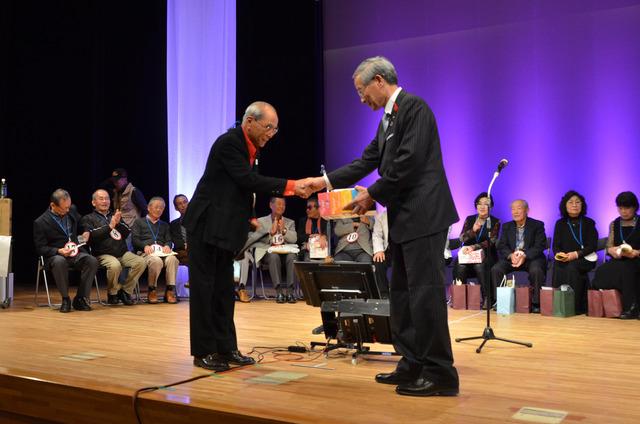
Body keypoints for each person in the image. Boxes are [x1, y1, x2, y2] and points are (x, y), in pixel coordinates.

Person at [306, 56, 460, 397]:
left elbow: (408, 163)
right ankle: (411, 364)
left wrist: (371, 194)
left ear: (379, 80)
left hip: (425, 217)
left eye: (362, 91)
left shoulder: (414, 108)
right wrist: (323, 182)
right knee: (403, 297)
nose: (361, 99)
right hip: (404, 220)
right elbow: (366, 161)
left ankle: (441, 374)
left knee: (426, 296)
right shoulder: (386, 121)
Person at [182, 101, 311, 372]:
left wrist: (251, 215)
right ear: (249, 122)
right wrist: (290, 186)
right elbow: (247, 180)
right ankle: (204, 351)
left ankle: (227, 348)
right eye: (267, 127)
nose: (270, 134)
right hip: (205, 226)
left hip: (223, 228)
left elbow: (243, 188)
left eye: (274, 130)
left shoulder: (251, 149)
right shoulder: (230, 143)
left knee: (224, 291)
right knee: (205, 291)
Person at [33, 189, 99, 313]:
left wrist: (86, 230)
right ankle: (65, 298)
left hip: (75, 253)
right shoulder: (40, 222)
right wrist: (59, 251)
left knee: (92, 261)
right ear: (53, 205)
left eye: (69, 207)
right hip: (57, 256)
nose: (67, 210)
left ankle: (80, 298)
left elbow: (83, 221)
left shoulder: (71, 211)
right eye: (64, 208)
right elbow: (40, 248)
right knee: (59, 261)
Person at [80, 189, 146, 306]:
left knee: (140, 262)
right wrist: (110, 226)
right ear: (93, 202)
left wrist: (118, 223)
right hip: (102, 254)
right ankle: (112, 293)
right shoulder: (88, 218)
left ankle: (125, 291)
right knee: (115, 265)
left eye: (107, 199)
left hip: (122, 252)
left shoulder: (115, 215)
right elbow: (90, 237)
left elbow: (127, 233)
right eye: (101, 199)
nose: (105, 201)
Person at [491, 199, 547, 313]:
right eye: (513, 209)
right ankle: (500, 301)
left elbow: (540, 245)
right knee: (496, 269)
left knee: (536, 270)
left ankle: (536, 303)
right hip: (512, 258)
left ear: (527, 210)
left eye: (519, 208)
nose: (515, 212)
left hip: (530, 258)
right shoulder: (507, 226)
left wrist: (525, 256)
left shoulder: (537, 225)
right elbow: (502, 245)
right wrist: (511, 255)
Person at [591, 191, 640, 319]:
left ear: (635, 207)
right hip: (619, 259)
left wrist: (635, 252)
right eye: (620, 208)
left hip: (636, 259)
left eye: (627, 208)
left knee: (627, 270)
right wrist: (612, 250)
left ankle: (631, 307)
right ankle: (603, 306)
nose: (623, 211)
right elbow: (609, 245)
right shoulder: (614, 224)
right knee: (602, 271)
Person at [241, 197, 298, 303]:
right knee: (273, 256)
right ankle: (279, 292)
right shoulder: (261, 221)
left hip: (286, 252)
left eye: (283, 205)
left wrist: (284, 230)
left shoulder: (290, 222)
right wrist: (270, 233)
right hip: (268, 252)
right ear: (271, 205)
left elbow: (294, 239)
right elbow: (255, 239)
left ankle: (290, 292)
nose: (281, 207)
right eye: (278, 204)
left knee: (292, 257)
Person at [551, 190, 598, 314]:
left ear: (582, 205)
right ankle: (559, 305)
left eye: (578, 202)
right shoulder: (560, 223)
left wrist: (576, 254)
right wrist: (560, 255)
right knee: (558, 265)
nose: (574, 205)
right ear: (565, 206)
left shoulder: (589, 223)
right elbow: (555, 245)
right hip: (565, 258)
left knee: (572, 267)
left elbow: (592, 245)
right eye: (571, 202)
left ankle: (574, 306)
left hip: (585, 258)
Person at [453, 193, 500, 308]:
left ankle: (487, 298)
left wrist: (474, 247)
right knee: (460, 265)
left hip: (487, 255)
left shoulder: (495, 221)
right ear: (476, 205)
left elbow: (491, 241)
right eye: (480, 203)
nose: (482, 206)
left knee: (479, 265)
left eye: (486, 204)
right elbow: (462, 238)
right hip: (468, 256)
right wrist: (472, 230)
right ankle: (460, 298)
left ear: (491, 206)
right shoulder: (469, 219)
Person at [131, 197, 179, 304]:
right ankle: (152, 290)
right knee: (155, 260)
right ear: (148, 208)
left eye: (161, 208)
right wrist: (144, 246)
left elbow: (169, 240)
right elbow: (135, 239)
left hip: (162, 252)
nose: (159, 210)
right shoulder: (139, 222)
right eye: (156, 207)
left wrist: (167, 245)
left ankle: (170, 290)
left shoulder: (164, 225)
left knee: (173, 259)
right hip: (146, 252)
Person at [296, 196, 328, 261]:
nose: (307, 210)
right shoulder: (303, 220)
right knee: (307, 257)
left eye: (309, 208)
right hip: (307, 249)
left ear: (318, 209)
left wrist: (323, 236)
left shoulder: (325, 220)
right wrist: (311, 236)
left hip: (322, 248)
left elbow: (330, 233)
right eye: (307, 208)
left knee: (325, 259)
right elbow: (299, 237)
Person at [372, 209, 390, 296]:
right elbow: (377, 234)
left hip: (404, 247)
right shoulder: (381, 213)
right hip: (389, 247)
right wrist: (379, 250)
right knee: (379, 260)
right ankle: (383, 295)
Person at [170, 194, 189, 265]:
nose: (183, 205)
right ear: (176, 208)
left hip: (196, 250)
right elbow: (176, 241)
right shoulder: (173, 224)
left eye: (185, 202)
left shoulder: (198, 220)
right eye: (180, 204)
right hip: (182, 251)